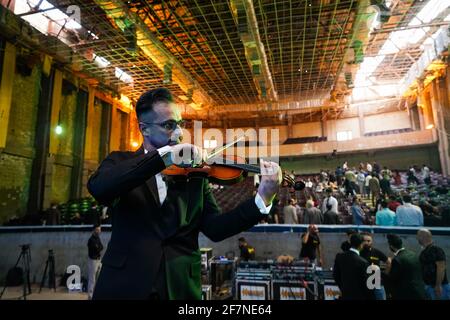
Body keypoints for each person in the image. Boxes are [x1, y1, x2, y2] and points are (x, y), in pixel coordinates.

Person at [87, 88, 282, 300]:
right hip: (124, 286)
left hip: (180, 288)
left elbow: (215, 228)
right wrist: (163, 158)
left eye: (181, 124)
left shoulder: (195, 175)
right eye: (169, 125)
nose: (180, 133)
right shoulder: (120, 163)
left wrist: (263, 198)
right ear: (145, 129)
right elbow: (99, 187)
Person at [333, 233, 375, 300]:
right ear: (361, 245)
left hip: (345, 295)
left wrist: (343, 288)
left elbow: (335, 275)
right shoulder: (363, 262)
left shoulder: (339, 257)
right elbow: (367, 285)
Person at [385, 234, 427, 300]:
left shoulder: (397, 259)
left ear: (391, 247)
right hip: (420, 291)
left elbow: (393, 279)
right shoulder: (413, 254)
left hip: (406, 294)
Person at [417, 229, 450, 300]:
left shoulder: (436, 250)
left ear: (423, 237)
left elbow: (441, 267)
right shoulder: (425, 251)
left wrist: (438, 286)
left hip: (439, 288)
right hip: (430, 287)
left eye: (418, 236)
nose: (417, 238)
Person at [360, 232, 388, 300]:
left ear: (372, 241)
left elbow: (388, 261)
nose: (367, 242)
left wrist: (384, 274)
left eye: (369, 241)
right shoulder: (358, 253)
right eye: (364, 241)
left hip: (377, 284)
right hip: (363, 284)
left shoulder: (376, 252)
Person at [87, 224, 103, 300]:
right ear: (94, 230)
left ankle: (96, 294)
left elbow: (101, 247)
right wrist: (98, 247)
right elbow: (96, 249)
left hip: (98, 260)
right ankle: (90, 296)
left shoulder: (98, 238)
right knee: (92, 279)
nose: (99, 231)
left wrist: (98, 247)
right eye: (98, 230)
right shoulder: (91, 240)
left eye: (99, 230)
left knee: (98, 278)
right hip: (93, 260)